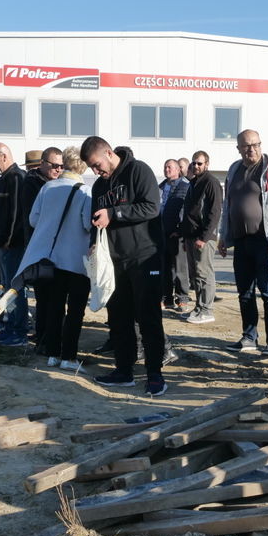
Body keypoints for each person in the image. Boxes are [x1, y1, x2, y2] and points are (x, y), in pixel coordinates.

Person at [82, 137, 168, 396]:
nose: (96, 171)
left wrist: (114, 213)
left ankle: (154, 374)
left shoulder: (138, 170)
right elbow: (96, 220)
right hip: (114, 261)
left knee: (148, 317)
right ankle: (123, 371)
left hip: (145, 256)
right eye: (91, 167)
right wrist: (93, 243)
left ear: (108, 153)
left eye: (97, 165)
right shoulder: (99, 186)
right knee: (119, 318)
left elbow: (151, 207)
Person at [218, 129, 268, 357]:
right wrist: (223, 235)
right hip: (241, 241)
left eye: (255, 144)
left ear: (260, 145)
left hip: (266, 241)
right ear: (239, 148)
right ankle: (249, 337)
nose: (251, 149)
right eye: (246, 146)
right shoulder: (234, 169)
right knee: (244, 292)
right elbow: (228, 204)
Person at [17, 148, 92, 370]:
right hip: (76, 261)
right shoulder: (85, 191)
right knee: (75, 311)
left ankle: (52, 354)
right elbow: (88, 224)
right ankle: (69, 357)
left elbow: (33, 220)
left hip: (51, 259)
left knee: (54, 307)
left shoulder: (47, 188)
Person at [0, 143, 30, 346]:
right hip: (2, 245)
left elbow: (17, 213)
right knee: (7, 290)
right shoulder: (3, 179)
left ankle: (18, 331)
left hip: (12, 246)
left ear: (4, 156)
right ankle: (10, 325)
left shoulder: (16, 178)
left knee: (15, 290)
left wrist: (9, 240)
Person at [179, 150, 222, 324]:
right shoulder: (193, 182)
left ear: (207, 164)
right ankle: (199, 307)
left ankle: (206, 310)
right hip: (191, 236)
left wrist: (204, 237)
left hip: (203, 237)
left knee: (204, 273)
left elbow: (215, 212)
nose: (196, 166)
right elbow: (189, 212)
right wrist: (185, 237)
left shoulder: (211, 182)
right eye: (194, 163)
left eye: (199, 163)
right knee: (195, 273)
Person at [158, 158, 191, 311]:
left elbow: (187, 210)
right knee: (164, 268)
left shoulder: (185, 187)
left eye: (170, 167)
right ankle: (167, 299)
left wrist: (180, 229)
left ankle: (182, 298)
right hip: (161, 233)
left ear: (178, 170)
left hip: (177, 234)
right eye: (165, 167)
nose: (167, 170)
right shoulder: (160, 187)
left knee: (180, 268)